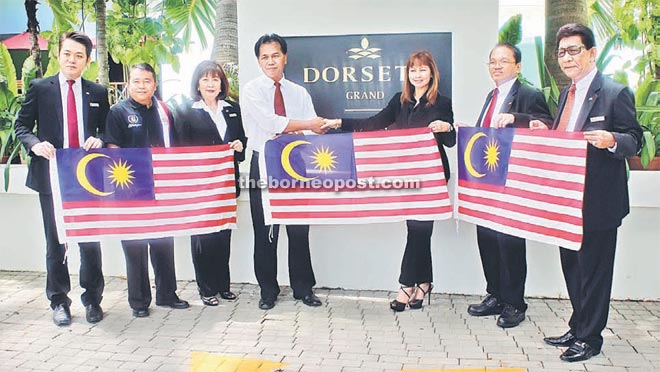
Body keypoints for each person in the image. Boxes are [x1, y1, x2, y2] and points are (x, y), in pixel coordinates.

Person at [531, 24, 642, 362]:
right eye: (562, 52)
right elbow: (568, 139)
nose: (567, 57)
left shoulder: (614, 91)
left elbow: (633, 138)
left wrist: (611, 141)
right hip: (567, 200)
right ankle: (578, 324)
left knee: (594, 271)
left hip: (599, 202)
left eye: (574, 50)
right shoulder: (567, 93)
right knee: (573, 268)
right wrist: (546, 130)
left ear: (592, 53)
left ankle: (590, 338)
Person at [323, 50, 456, 312]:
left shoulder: (441, 102)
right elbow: (374, 123)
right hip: (407, 175)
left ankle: (406, 286)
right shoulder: (400, 100)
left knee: (418, 231)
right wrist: (339, 122)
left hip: (431, 176)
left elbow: (450, 141)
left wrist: (447, 127)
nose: (418, 74)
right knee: (418, 231)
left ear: (432, 73)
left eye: (422, 69)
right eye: (413, 70)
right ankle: (424, 284)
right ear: (407, 74)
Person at [14, 31, 107, 326]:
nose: (72, 60)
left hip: (87, 178)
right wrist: (35, 144)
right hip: (51, 177)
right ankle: (59, 301)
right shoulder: (40, 88)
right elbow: (22, 126)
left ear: (87, 61)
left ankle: (92, 299)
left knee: (90, 242)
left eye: (79, 55)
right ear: (59, 54)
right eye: (68, 53)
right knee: (56, 242)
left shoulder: (98, 92)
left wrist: (100, 140)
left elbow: (107, 130)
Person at [466, 43, 553, 328]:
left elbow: (547, 124)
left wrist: (517, 119)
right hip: (486, 181)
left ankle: (515, 303)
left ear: (518, 66)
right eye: (492, 61)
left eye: (504, 61)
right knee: (487, 238)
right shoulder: (491, 96)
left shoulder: (529, 94)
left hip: (513, 181)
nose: (497, 66)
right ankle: (495, 295)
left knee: (509, 242)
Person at [241, 33, 326, 310]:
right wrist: (303, 125)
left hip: (295, 164)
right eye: (264, 56)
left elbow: (310, 129)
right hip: (263, 164)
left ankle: (303, 288)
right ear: (258, 60)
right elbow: (270, 122)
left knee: (299, 230)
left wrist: (304, 126)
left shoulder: (298, 92)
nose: (270, 61)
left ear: (285, 57)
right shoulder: (251, 90)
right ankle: (268, 290)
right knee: (266, 230)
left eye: (275, 55)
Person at [104, 63, 189, 317]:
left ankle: (167, 294)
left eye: (147, 81)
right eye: (137, 81)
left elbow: (174, 146)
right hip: (131, 191)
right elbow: (112, 149)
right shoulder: (118, 112)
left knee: (164, 243)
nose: (142, 86)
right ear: (129, 84)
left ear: (154, 84)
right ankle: (139, 302)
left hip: (162, 188)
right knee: (135, 247)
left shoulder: (164, 111)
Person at [173, 60, 247, 306]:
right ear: (197, 83)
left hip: (226, 186)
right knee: (203, 239)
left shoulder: (232, 109)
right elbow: (180, 150)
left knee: (223, 236)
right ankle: (206, 288)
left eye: (215, 79)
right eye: (205, 79)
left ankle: (223, 286)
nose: (211, 84)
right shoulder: (186, 110)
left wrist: (238, 146)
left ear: (222, 83)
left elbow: (242, 148)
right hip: (200, 187)